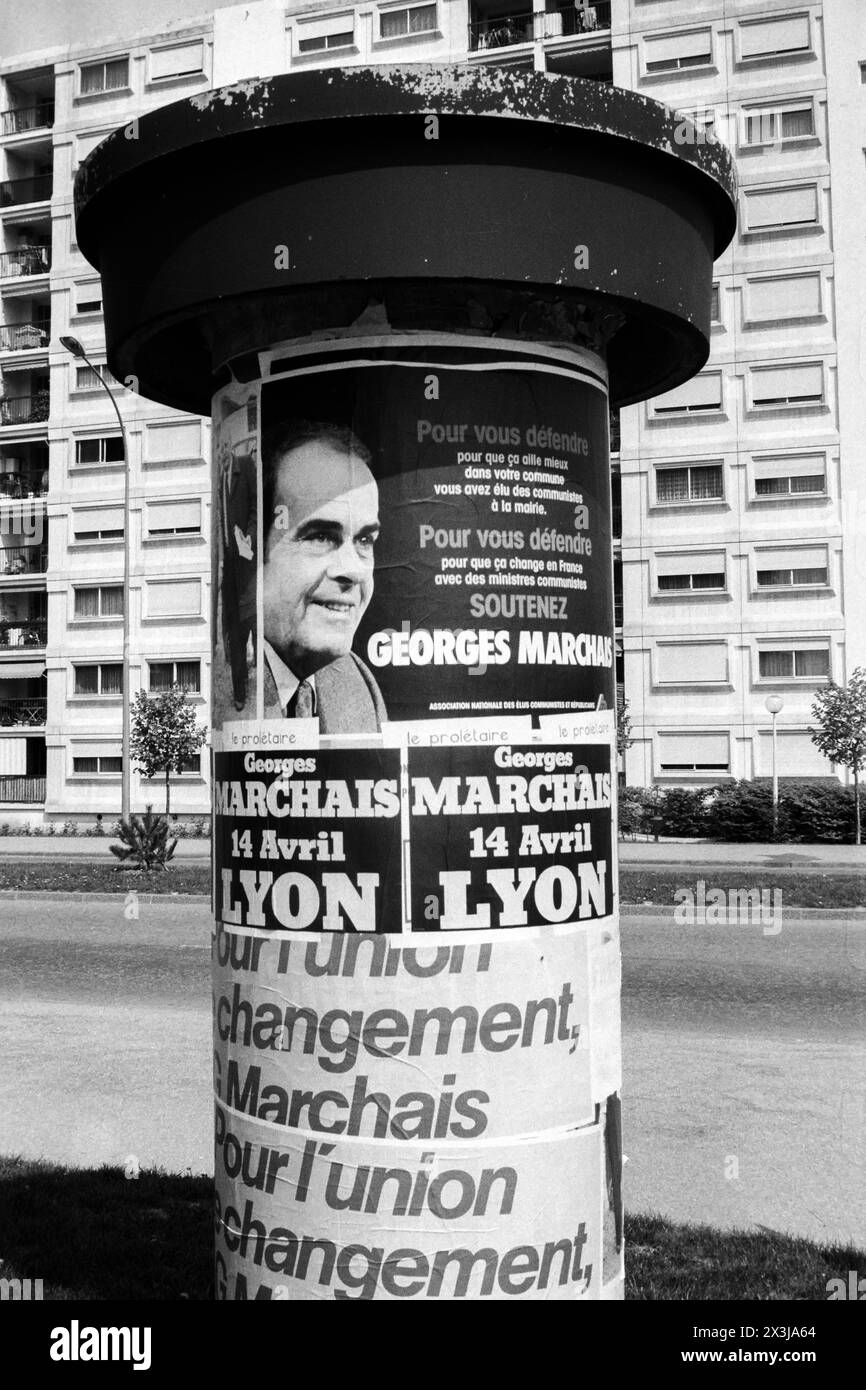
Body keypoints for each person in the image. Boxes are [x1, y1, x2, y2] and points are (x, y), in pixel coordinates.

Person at [261, 421, 387, 732]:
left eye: (364, 540)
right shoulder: (226, 679)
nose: (354, 570)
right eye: (319, 536)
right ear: (252, 550)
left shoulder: (357, 682)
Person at [218, 435, 257, 712]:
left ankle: (258, 672)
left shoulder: (246, 466)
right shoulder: (217, 479)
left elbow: (256, 506)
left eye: (221, 448)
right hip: (229, 565)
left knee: (251, 619)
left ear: (228, 446)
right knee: (234, 628)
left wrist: (250, 537)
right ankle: (239, 689)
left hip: (249, 560)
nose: (219, 454)